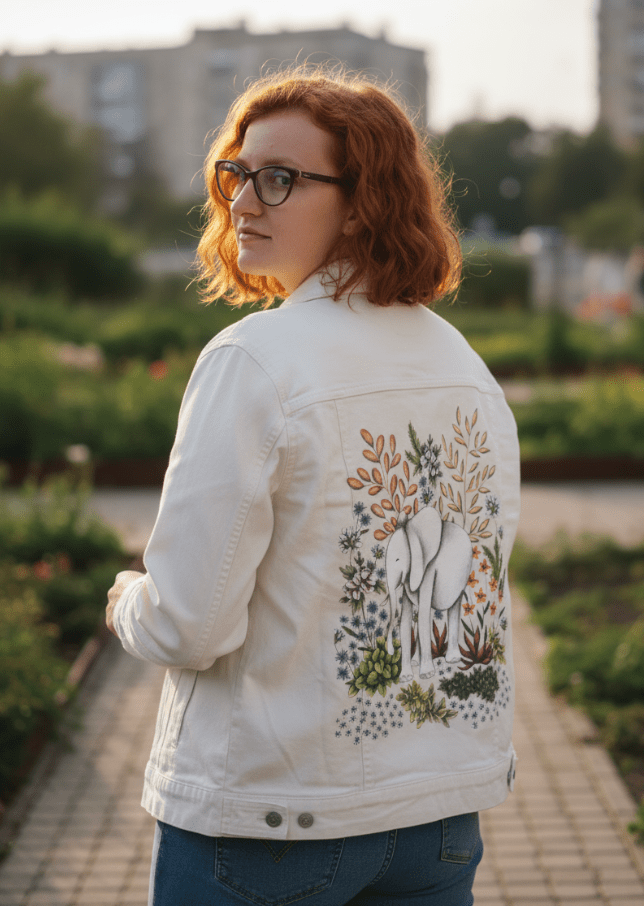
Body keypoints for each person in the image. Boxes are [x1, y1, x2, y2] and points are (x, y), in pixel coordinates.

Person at [107, 65, 521, 906]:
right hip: (437, 822)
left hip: (270, 825)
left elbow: (191, 625)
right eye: (236, 173)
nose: (243, 202)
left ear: (364, 202)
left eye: (280, 178)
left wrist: (122, 601)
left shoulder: (254, 360)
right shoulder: (463, 364)